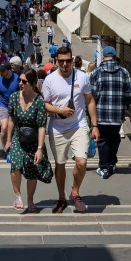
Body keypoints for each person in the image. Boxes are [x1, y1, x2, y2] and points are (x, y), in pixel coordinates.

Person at [42, 46, 99, 213]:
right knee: (60, 165)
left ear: (72, 60)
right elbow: (44, 105)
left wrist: (95, 126)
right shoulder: (50, 80)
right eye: (61, 61)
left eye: (68, 60)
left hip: (79, 125)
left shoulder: (82, 77)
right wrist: (60, 110)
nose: (65, 64)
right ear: (56, 61)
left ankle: (75, 192)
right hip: (57, 128)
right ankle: (61, 197)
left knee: (81, 162)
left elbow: (90, 101)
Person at [4, 69, 53, 212]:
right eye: (19, 80)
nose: (20, 83)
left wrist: (39, 148)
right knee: (16, 164)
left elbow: (42, 126)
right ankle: (18, 196)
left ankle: (30, 200)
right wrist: (8, 140)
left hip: (34, 140)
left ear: (32, 84)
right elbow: (11, 120)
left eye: (24, 81)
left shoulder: (39, 101)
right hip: (18, 138)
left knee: (32, 172)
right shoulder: (14, 98)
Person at [90, 47, 131, 179]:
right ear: (114, 56)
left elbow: (93, 95)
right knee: (114, 139)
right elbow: (129, 94)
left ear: (103, 56)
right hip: (117, 115)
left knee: (102, 141)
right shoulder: (124, 72)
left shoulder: (96, 72)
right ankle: (111, 164)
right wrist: (123, 105)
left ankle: (103, 167)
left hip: (101, 114)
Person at [0, 63, 21, 155]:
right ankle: (6, 149)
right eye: (0, 70)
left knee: (13, 128)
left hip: (16, 105)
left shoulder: (17, 79)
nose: (0, 72)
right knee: (4, 127)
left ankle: (14, 147)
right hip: (3, 105)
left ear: (8, 70)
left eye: (2, 70)